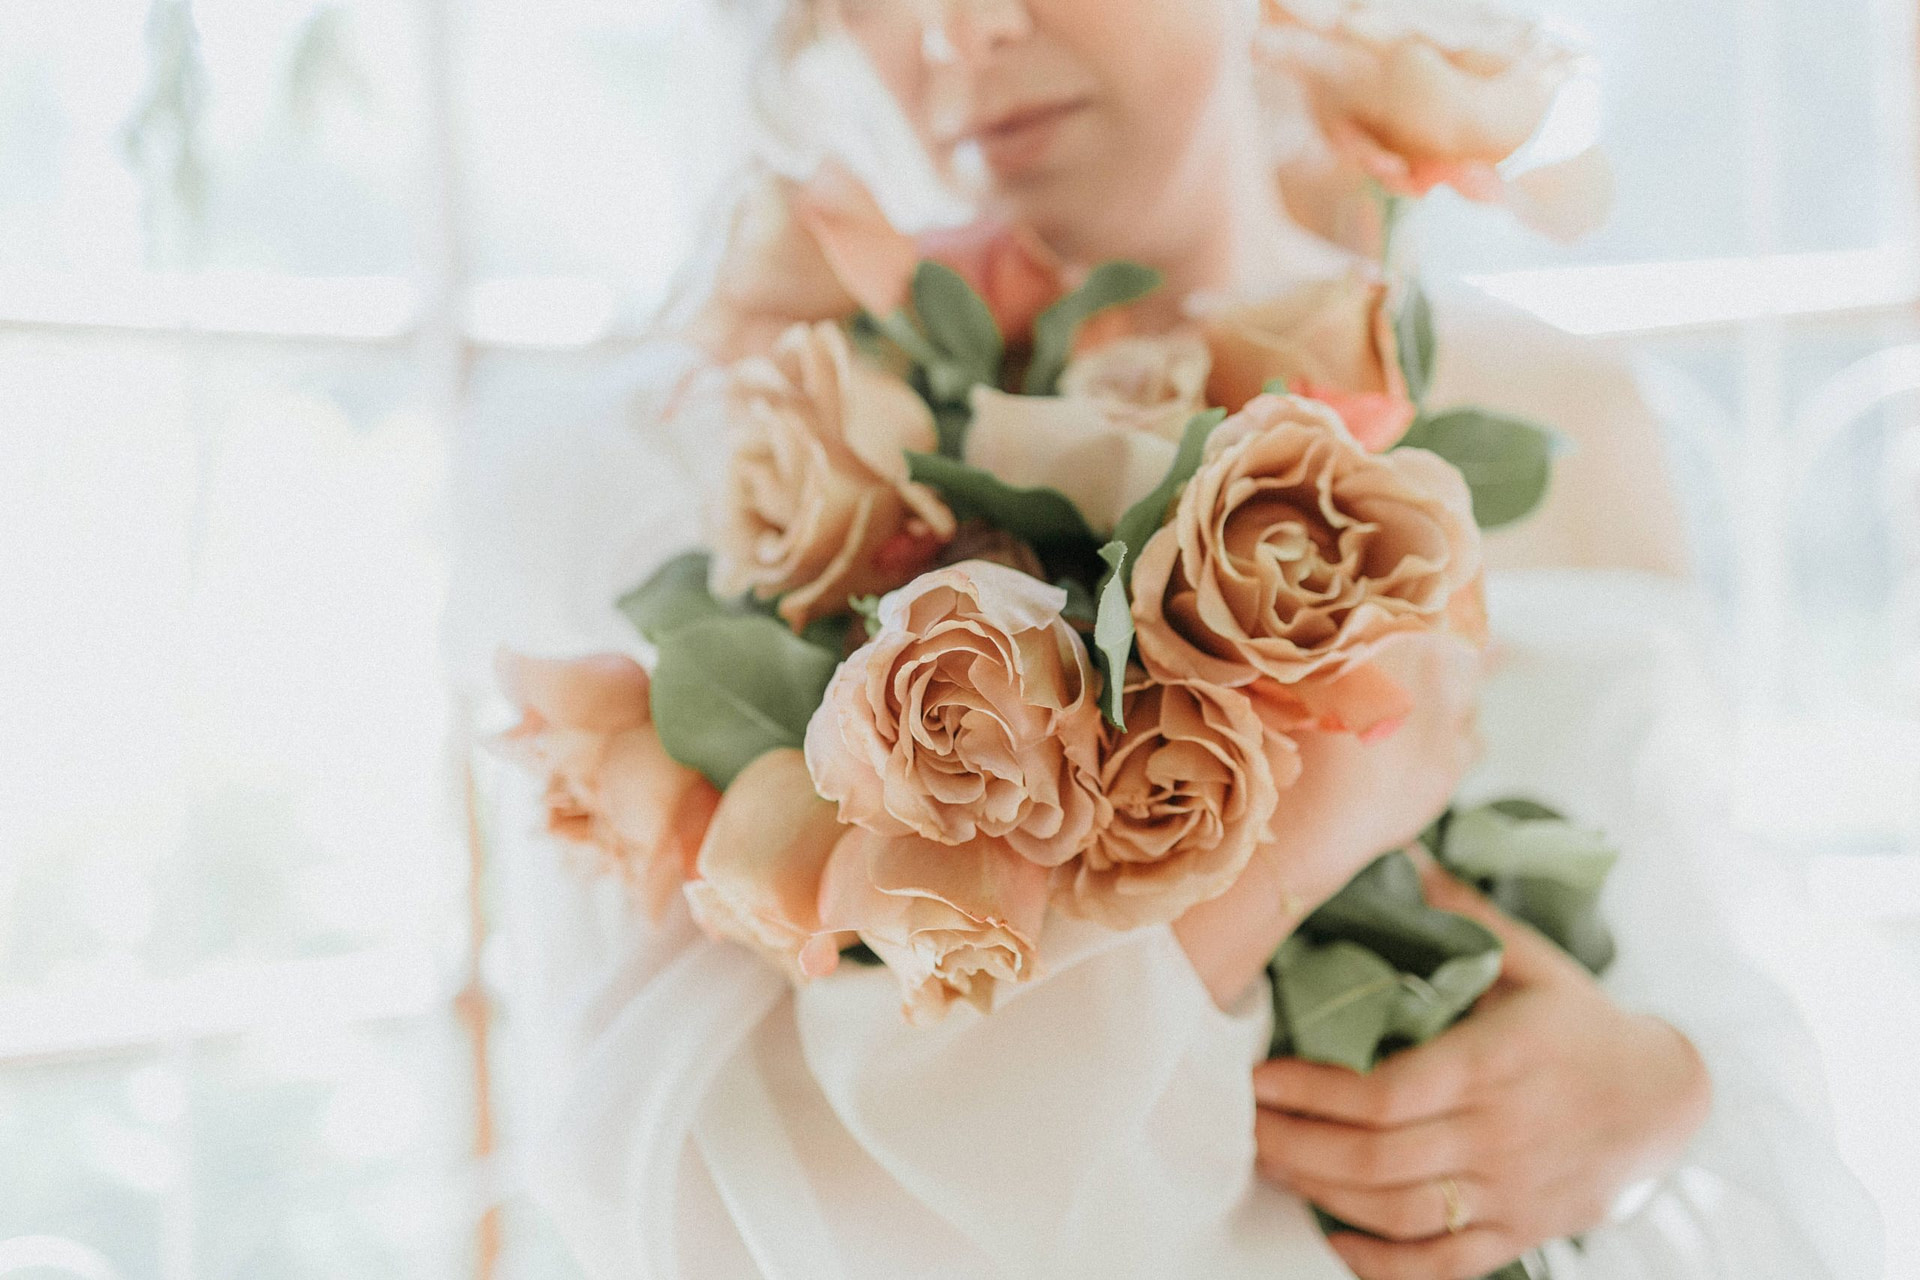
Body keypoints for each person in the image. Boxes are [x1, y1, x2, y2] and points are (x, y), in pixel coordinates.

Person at [447, 1, 1878, 1276]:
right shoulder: (762, 467)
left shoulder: (1559, 404)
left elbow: (1701, 959)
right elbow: (689, 1180)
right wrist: (1284, 849)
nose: (956, 29)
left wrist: (1655, 1097)